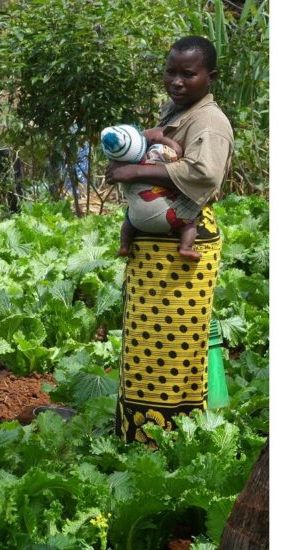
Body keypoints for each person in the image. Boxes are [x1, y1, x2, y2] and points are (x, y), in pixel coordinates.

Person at [105, 36, 233, 445]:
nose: (177, 81)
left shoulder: (210, 122)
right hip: (156, 247)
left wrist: (134, 174)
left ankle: (172, 443)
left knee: (173, 348)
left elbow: (205, 175)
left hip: (182, 251)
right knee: (145, 345)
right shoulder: (178, 110)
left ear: (209, 77)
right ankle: (137, 438)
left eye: (188, 73)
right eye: (171, 71)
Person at [101, 125, 199, 259]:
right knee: (191, 219)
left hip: (136, 222)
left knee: (127, 220)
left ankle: (124, 245)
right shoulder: (156, 155)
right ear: (141, 143)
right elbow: (177, 151)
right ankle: (185, 247)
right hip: (168, 219)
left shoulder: (118, 170)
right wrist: (160, 139)